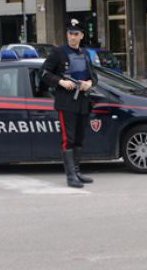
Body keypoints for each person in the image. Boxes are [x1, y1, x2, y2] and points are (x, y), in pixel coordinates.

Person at [41, 19, 98, 188]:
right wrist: (60, 82)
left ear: (81, 35)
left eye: (76, 34)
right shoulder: (58, 52)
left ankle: (77, 172)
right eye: (70, 34)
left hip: (83, 100)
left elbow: (94, 76)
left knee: (79, 138)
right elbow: (43, 72)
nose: (72, 37)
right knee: (69, 139)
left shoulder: (85, 53)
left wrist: (90, 83)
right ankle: (70, 176)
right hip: (66, 102)